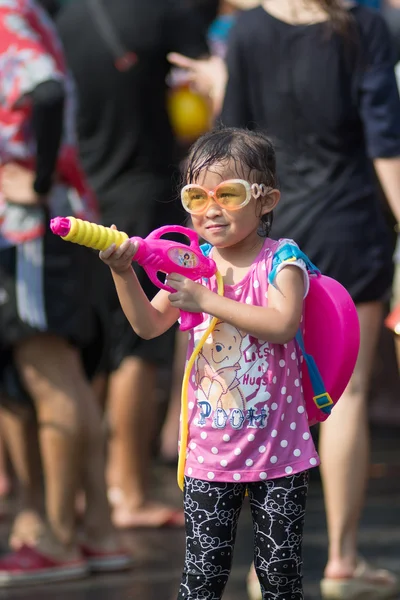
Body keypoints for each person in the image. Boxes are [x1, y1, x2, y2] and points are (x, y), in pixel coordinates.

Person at [99, 126, 320, 600]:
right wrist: (123, 272)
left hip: (278, 456)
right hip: (209, 458)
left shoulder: (281, 261)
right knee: (201, 580)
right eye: (196, 196)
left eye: (229, 193)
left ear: (266, 200)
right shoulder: (190, 264)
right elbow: (148, 325)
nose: (211, 209)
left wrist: (205, 298)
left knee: (280, 580)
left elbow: (282, 324)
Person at [56, 0, 210, 529]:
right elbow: (204, 88)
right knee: (136, 347)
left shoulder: (59, 20)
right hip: (141, 191)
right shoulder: (160, 16)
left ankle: (89, 489)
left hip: (80, 199)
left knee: (92, 345)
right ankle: (128, 488)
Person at [0, 0, 130, 585]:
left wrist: (41, 177)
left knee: (49, 378)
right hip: (43, 224)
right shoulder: (27, 10)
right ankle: (94, 529)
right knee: (59, 381)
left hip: (27, 227)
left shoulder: (9, 14)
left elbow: (47, 92)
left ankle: (58, 537)